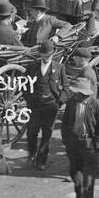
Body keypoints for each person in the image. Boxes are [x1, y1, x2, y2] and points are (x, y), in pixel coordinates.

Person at [60, 77, 99, 198]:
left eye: (76, 93)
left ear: (84, 93)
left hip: (89, 145)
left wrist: (96, 146)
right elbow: (65, 123)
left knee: (88, 179)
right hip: (73, 144)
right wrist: (66, 141)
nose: (74, 95)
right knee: (75, 173)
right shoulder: (71, 103)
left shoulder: (96, 105)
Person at [24, 41, 62, 169]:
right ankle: (31, 154)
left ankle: (41, 161)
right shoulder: (32, 66)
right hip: (34, 105)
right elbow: (24, 84)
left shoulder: (59, 67)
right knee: (31, 132)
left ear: (52, 54)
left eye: (48, 55)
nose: (46, 58)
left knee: (47, 133)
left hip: (51, 107)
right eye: (43, 55)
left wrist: (59, 102)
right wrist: (28, 99)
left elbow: (66, 87)